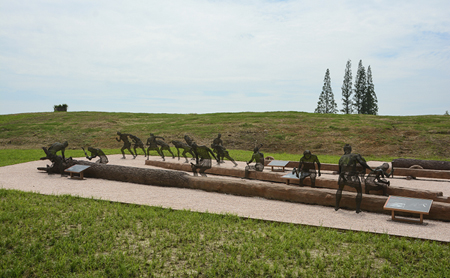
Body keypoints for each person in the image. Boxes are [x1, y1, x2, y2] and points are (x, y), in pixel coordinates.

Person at [335, 144, 373, 213]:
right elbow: (362, 163)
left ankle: (337, 206)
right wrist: (370, 169)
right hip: (353, 177)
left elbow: (340, 171)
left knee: (340, 189)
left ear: (344, 150)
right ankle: (357, 209)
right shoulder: (354, 156)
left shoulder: (341, 158)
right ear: (350, 149)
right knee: (359, 191)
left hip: (343, 178)